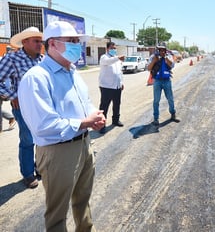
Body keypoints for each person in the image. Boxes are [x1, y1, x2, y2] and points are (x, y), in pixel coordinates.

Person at [18, 20, 106, 232]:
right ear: (53, 44)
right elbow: (44, 126)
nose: (77, 45)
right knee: (58, 212)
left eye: (78, 41)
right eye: (72, 41)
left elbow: (84, 103)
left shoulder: (72, 71)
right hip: (57, 152)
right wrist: (85, 122)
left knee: (83, 200)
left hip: (84, 144)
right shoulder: (36, 78)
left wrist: (94, 115)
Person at [0, 26, 43, 188]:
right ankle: (27, 173)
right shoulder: (12, 59)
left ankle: (40, 167)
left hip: (41, 107)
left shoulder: (42, 59)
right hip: (22, 108)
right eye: (36, 41)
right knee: (27, 140)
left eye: (41, 41)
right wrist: (12, 96)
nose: (40, 44)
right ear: (24, 42)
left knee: (42, 138)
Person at [147, 45, 179, 126]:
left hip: (167, 81)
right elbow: (148, 68)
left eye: (164, 50)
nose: (162, 52)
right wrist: (154, 61)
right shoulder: (153, 57)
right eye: (161, 50)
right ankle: (156, 119)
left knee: (170, 99)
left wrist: (166, 59)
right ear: (158, 50)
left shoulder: (168, 57)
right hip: (157, 81)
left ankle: (173, 114)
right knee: (156, 101)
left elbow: (172, 65)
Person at [98, 41, 125, 134]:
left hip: (117, 86)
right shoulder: (104, 57)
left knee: (117, 104)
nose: (114, 50)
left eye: (115, 48)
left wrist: (121, 82)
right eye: (112, 48)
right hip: (106, 87)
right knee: (104, 107)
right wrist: (118, 58)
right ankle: (101, 125)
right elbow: (108, 62)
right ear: (107, 49)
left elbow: (119, 72)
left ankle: (116, 120)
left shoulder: (116, 60)